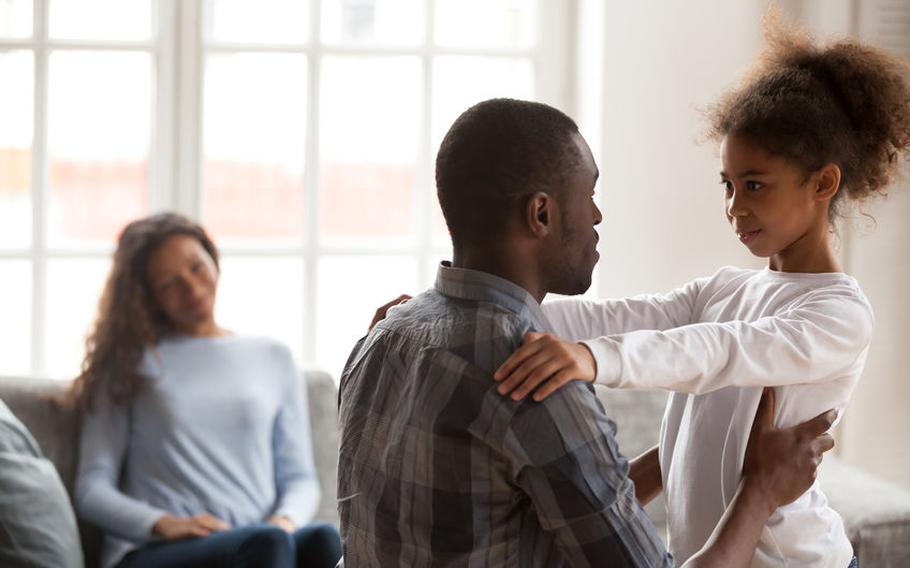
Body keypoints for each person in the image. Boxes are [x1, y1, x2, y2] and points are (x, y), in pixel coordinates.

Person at [339, 98, 836, 567]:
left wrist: (678, 451)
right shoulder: (533, 380)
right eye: (590, 195)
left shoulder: (381, 340)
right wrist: (762, 489)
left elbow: (540, 520)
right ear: (542, 214)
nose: (597, 216)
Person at [493, 23, 910, 568]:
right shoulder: (727, 289)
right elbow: (620, 314)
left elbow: (720, 350)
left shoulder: (839, 315)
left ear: (823, 184)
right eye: (728, 185)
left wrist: (593, 360)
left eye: (755, 184)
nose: (735, 206)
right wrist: (482, 304)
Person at [70, 213, 342, 568]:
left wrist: (285, 520)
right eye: (169, 283)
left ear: (213, 259)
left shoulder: (272, 357)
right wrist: (166, 524)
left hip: (258, 540)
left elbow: (300, 478)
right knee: (266, 544)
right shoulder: (129, 362)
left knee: (324, 539)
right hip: (155, 551)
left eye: (196, 267)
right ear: (148, 297)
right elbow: (91, 488)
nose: (192, 288)